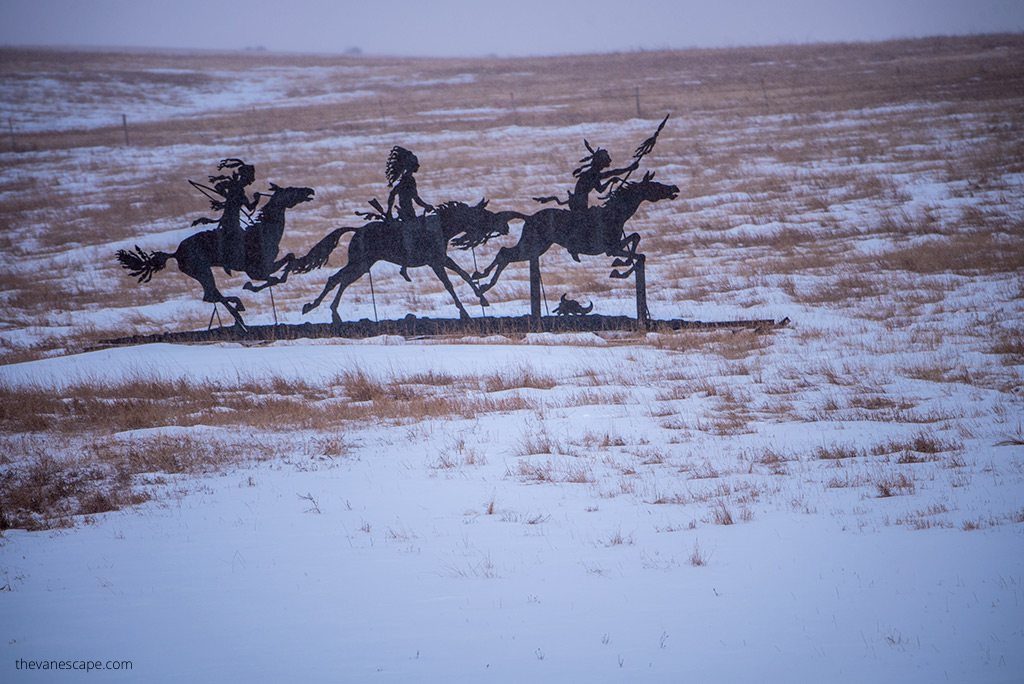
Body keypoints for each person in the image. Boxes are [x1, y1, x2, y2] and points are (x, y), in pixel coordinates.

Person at [191, 158, 261, 274]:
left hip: (232, 220)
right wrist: (256, 200)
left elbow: (219, 186)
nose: (248, 182)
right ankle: (230, 261)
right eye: (248, 180)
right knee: (240, 239)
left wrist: (228, 197)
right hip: (231, 221)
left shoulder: (236, 188)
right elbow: (250, 208)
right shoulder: (237, 189)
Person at [383, 146, 433, 280]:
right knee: (414, 234)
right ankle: (406, 263)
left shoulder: (407, 179)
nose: (418, 166)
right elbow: (414, 198)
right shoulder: (408, 180)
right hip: (407, 213)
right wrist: (426, 205)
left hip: (409, 212)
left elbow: (395, 195)